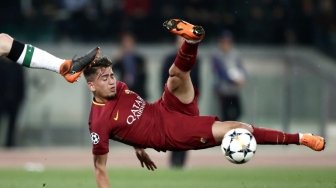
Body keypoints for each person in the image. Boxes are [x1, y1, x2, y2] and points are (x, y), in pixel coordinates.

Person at [0, 19, 325, 188]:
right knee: (238, 129)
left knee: (174, 75)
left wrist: (138, 148)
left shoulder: (120, 88)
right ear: (90, 85)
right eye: (106, 78)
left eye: (113, 75)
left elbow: (128, 127)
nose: (113, 80)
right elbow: (100, 167)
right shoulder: (98, 123)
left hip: (166, 108)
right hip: (174, 132)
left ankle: (191, 41)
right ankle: (301, 139)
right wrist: (141, 143)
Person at [161, 36, 201, 168]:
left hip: (189, 100)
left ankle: (182, 161)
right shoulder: (169, 59)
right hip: (173, 100)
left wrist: (196, 98)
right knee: (173, 130)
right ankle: (174, 161)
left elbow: (197, 81)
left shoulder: (195, 60)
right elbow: (163, 79)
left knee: (186, 131)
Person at [211, 30, 246, 121]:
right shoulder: (217, 55)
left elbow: (242, 69)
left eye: (228, 42)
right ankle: (225, 133)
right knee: (224, 115)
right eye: (224, 42)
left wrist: (242, 78)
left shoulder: (235, 54)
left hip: (234, 90)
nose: (226, 44)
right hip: (223, 91)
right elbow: (220, 72)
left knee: (238, 112)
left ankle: (231, 130)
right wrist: (233, 80)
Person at [113, 32, 147, 99]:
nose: (128, 44)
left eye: (130, 42)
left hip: (138, 91)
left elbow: (143, 76)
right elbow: (113, 70)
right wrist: (116, 59)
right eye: (126, 42)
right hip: (124, 91)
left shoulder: (139, 59)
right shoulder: (120, 59)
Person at [0, 57, 25, 148]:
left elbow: (21, 83)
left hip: (14, 100)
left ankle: (9, 144)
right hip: (1, 100)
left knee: (12, 124)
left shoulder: (17, 66)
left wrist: (21, 98)